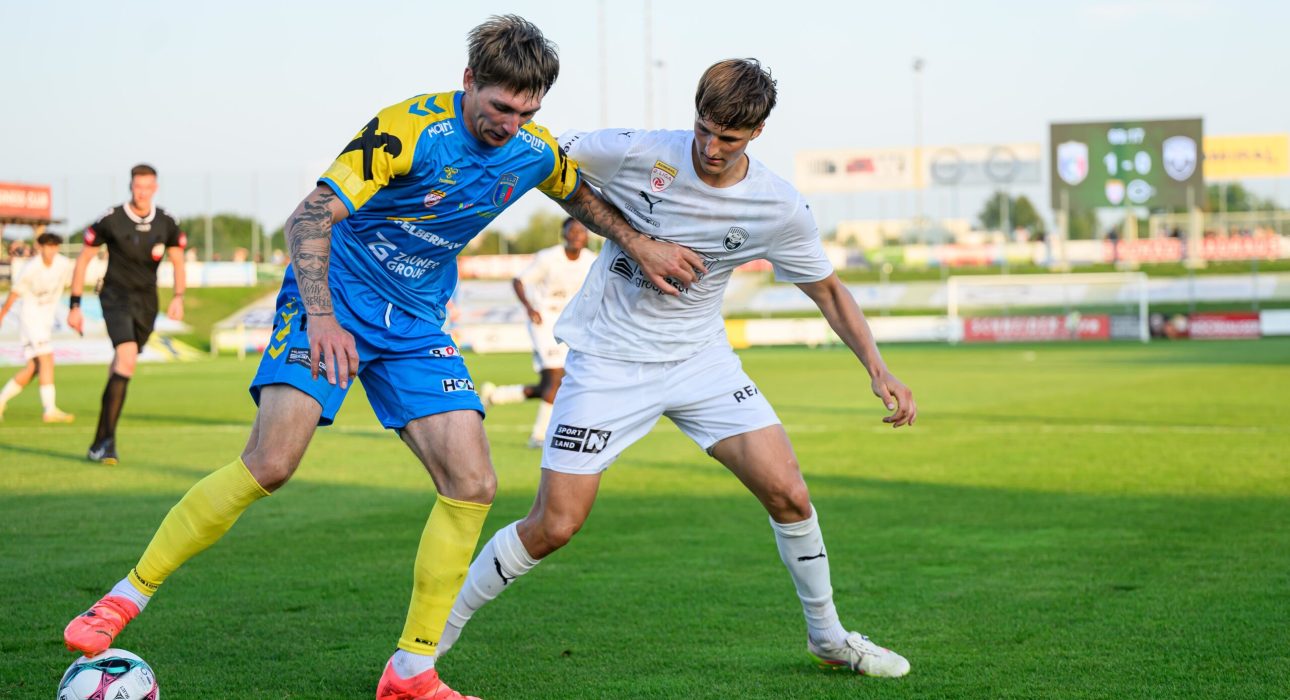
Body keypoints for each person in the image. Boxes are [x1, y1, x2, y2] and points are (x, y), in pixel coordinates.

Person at [61, 15, 704, 700]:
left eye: (526, 111)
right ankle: (124, 597)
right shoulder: (407, 130)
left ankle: (411, 672)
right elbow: (307, 218)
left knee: (474, 481)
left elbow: (581, 196)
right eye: (498, 107)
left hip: (416, 321)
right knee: (273, 461)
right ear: (468, 82)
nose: (509, 123)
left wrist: (642, 245)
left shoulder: (533, 150)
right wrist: (321, 317)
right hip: (331, 295)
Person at [438, 59, 919, 679]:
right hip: (609, 359)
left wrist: (878, 369)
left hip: (700, 361)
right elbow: (541, 160)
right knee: (554, 524)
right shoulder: (635, 152)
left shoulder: (777, 206)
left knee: (789, 492)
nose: (711, 148)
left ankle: (829, 638)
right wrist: (634, 236)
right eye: (704, 128)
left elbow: (828, 290)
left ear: (758, 133)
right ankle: (429, 642)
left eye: (730, 138)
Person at [67, 163, 187, 464]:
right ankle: (107, 443)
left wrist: (178, 297)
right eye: (137, 187)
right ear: (130, 187)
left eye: (147, 187)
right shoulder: (112, 219)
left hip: (147, 300)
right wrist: (75, 305)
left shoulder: (167, 222)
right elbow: (83, 260)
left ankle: (97, 442)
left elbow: (178, 261)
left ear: (155, 188)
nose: (142, 192)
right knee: (127, 357)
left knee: (120, 367)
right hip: (114, 296)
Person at [480, 217, 596, 447]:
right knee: (556, 378)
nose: (577, 235)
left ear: (587, 236)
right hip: (544, 320)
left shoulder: (592, 261)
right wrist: (530, 308)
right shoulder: (548, 258)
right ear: (563, 234)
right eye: (572, 231)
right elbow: (518, 281)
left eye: (581, 231)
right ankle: (539, 436)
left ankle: (496, 395)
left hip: (570, 323)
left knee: (551, 386)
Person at [0, 232, 75, 422]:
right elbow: (15, 292)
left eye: (54, 247)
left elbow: (75, 280)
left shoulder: (63, 264)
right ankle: (49, 410)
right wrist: (2, 315)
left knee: (34, 367)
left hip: (46, 319)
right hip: (31, 319)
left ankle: (1, 400)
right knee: (47, 359)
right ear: (40, 247)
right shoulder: (31, 268)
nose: (51, 251)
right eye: (47, 246)